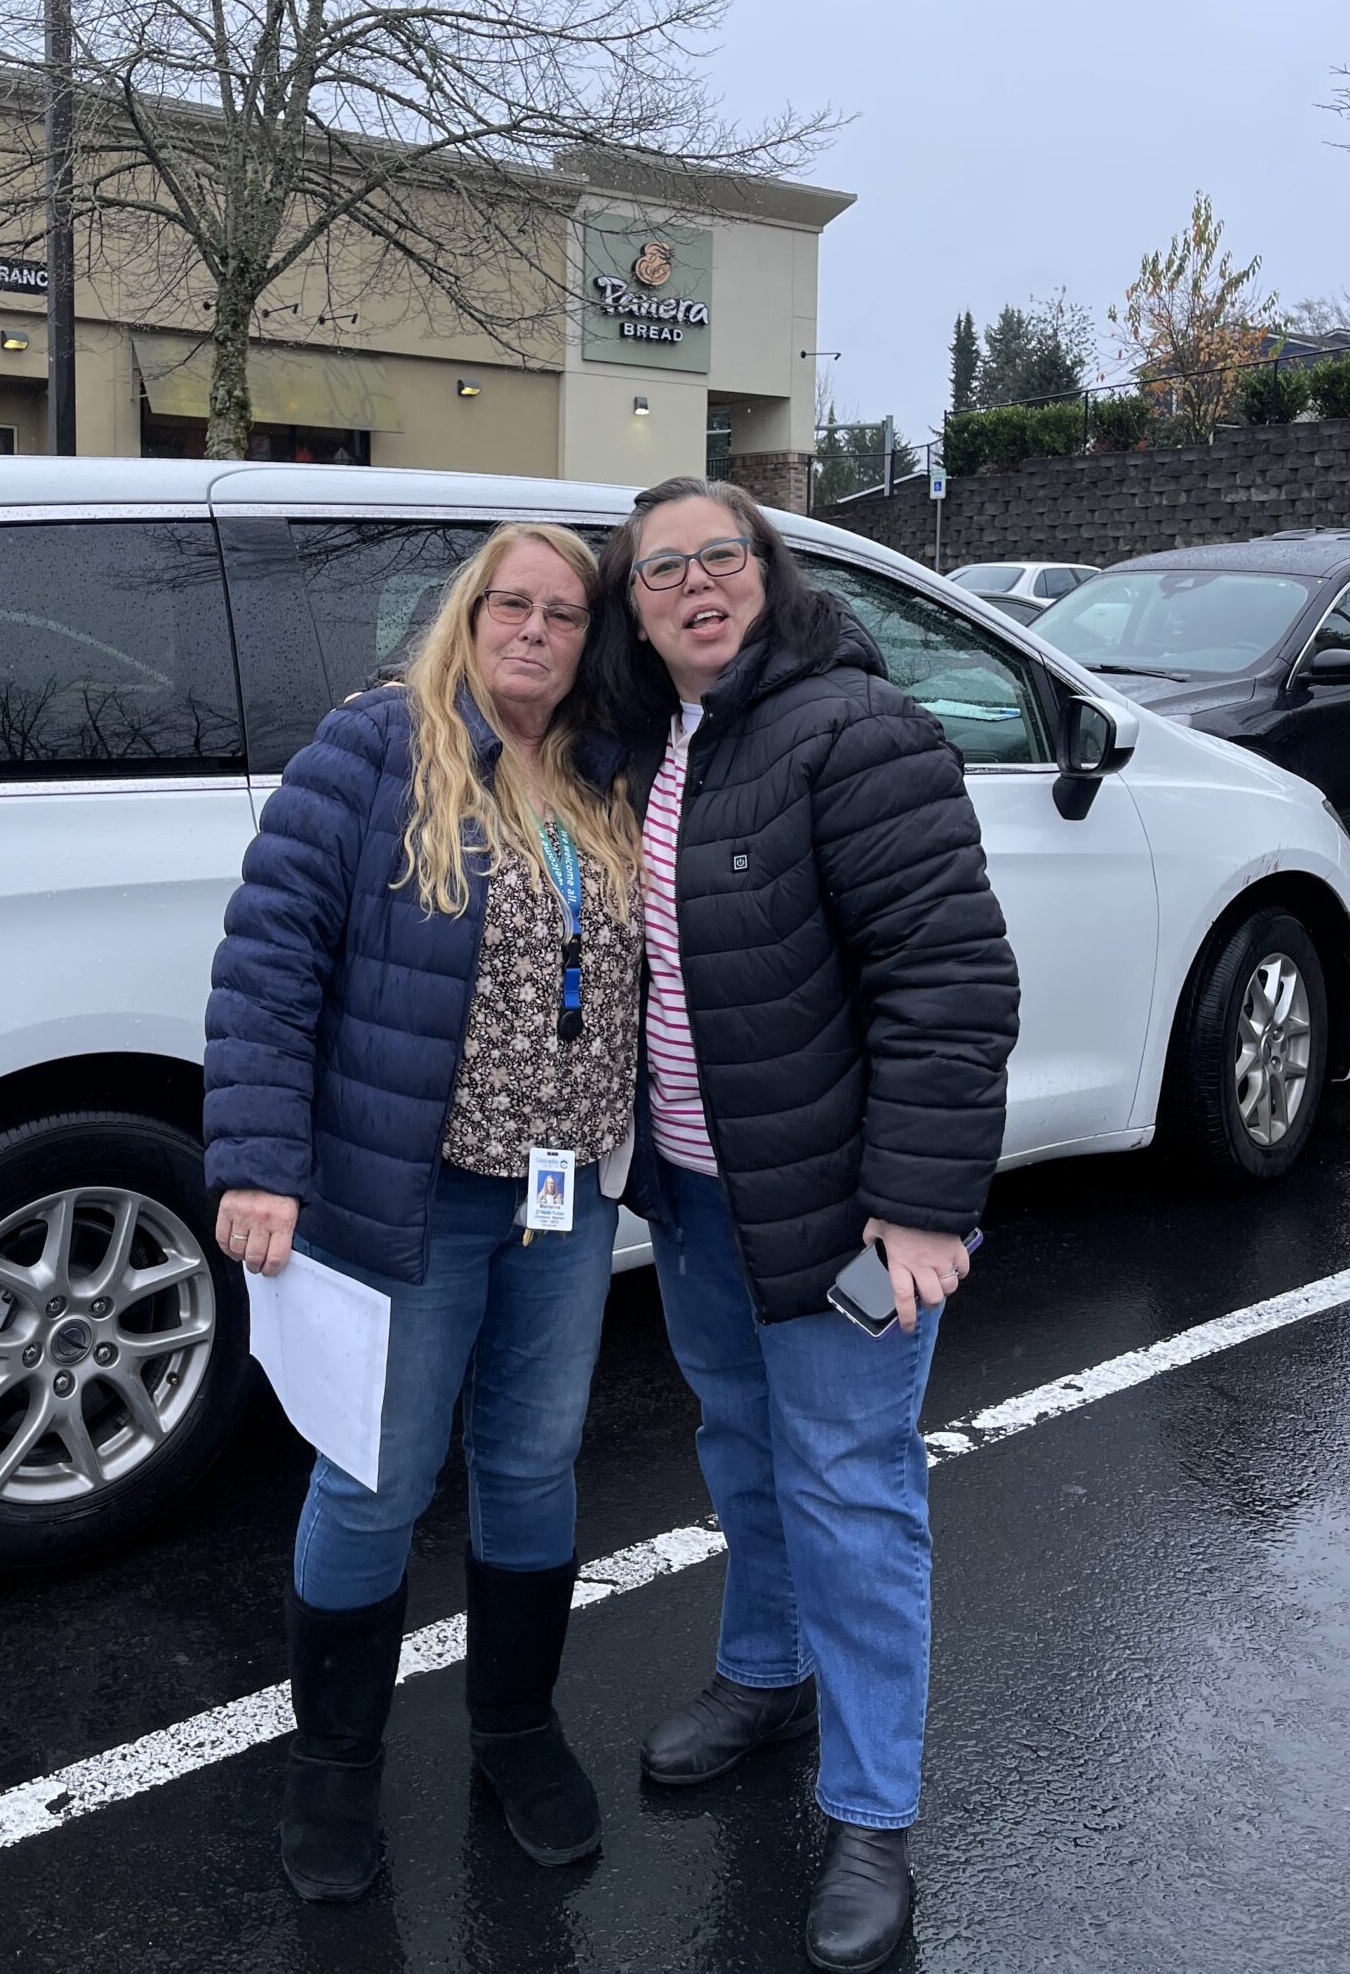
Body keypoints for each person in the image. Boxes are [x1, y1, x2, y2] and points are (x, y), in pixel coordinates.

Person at [590, 477, 1021, 1974]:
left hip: (841, 1209)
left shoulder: (854, 730)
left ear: (766, 573)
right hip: (706, 1194)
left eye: (722, 557)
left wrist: (920, 1207)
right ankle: (763, 1675)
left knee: (851, 1489)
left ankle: (872, 1812)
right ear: (632, 607)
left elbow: (951, 979)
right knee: (744, 1449)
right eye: (664, 572)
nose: (697, 585)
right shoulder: (654, 736)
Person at [204, 524, 641, 1903]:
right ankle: (334, 1763)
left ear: (588, 639)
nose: (533, 630)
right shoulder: (375, 749)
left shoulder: (602, 773)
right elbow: (269, 959)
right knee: (376, 1478)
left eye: (563, 614)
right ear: (469, 613)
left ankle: (514, 1722)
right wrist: (259, 1159)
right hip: (411, 1193)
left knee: (532, 1465)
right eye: (509, 603)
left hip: (564, 1196)